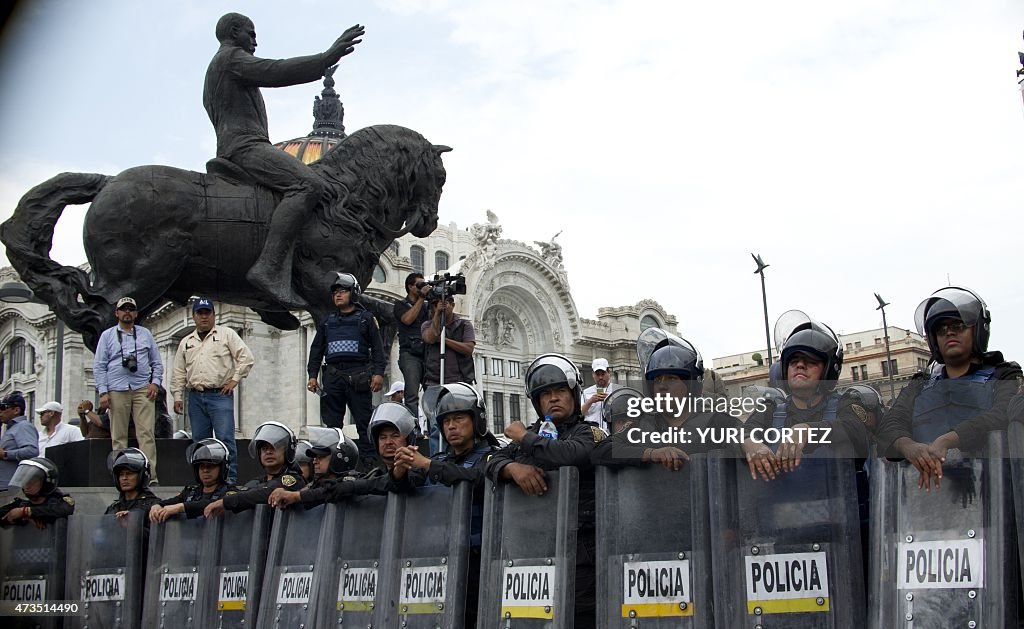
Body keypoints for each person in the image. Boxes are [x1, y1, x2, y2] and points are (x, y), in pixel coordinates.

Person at [204, 12, 364, 306]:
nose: (255, 40)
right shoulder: (231, 59)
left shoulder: (219, 67)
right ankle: (270, 268)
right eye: (250, 33)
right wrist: (324, 58)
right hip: (246, 147)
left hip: (234, 146)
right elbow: (276, 71)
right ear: (233, 31)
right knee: (309, 184)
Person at [484, 354, 606, 626]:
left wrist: (525, 438)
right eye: (546, 394)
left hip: (581, 554)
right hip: (533, 552)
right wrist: (512, 469)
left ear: (573, 394)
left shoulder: (589, 432)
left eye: (560, 390)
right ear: (537, 402)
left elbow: (572, 454)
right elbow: (490, 461)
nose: (553, 398)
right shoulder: (526, 437)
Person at [875, 287, 1022, 490]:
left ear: (978, 329)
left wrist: (948, 440)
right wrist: (908, 446)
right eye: (941, 329)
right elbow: (890, 423)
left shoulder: (1004, 374)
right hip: (925, 499)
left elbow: (1004, 414)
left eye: (958, 325)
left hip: (993, 493)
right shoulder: (920, 384)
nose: (949, 332)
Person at [393, 382, 499, 629]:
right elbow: (405, 489)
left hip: (479, 563)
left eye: (459, 418)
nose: (451, 426)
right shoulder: (435, 459)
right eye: (446, 421)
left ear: (477, 420)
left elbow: (478, 479)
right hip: (438, 563)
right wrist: (398, 473)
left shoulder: (493, 457)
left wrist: (428, 465)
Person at [742, 311, 870, 482]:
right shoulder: (771, 410)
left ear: (828, 370)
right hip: (781, 505)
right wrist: (750, 442)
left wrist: (808, 430)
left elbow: (856, 431)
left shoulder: (846, 403)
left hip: (840, 504)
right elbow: (740, 431)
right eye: (794, 361)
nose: (800, 365)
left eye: (811, 360)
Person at [592, 337, 741, 470]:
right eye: (657, 380)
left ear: (692, 385)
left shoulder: (718, 423)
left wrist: (750, 445)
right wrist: (651, 453)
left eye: (671, 378)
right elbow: (601, 450)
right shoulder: (643, 425)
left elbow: (749, 437)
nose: (662, 385)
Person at [171, 297, 254, 484]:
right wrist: (177, 396)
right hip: (195, 396)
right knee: (200, 441)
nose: (204, 317)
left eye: (207, 313)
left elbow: (246, 358)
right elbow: (178, 372)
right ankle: (202, 482)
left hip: (220, 395)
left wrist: (234, 380)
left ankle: (230, 479)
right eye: (200, 314)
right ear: (194, 317)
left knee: (226, 438)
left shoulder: (227, 334)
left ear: (214, 315)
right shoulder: (186, 342)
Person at [306, 273, 385, 461]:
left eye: (343, 291)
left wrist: (378, 373)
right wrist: (312, 375)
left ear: (354, 293)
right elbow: (316, 350)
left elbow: (378, 348)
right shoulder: (327, 322)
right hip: (333, 376)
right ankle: (333, 465)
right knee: (332, 426)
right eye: (335, 293)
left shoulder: (366, 319)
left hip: (359, 376)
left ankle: (370, 466)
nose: (338, 296)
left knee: (364, 423)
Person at [93, 296, 164, 485]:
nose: (127, 312)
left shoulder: (145, 334)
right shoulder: (107, 335)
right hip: (117, 388)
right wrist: (103, 392)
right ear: (117, 313)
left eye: (131, 309)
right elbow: (99, 366)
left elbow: (156, 363)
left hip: (142, 388)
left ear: (136, 313)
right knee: (118, 435)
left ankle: (150, 475)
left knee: (146, 433)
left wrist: (155, 383)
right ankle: (121, 474)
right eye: (123, 309)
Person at [204, 421, 305, 516]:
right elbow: (219, 501)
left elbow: (264, 494)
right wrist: (189, 507)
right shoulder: (257, 482)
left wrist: (226, 502)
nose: (268, 452)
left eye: (274, 447)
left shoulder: (294, 480)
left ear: (287, 451)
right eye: (264, 448)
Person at [421, 295, 476, 454]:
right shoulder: (427, 324)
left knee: (459, 425)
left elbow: (468, 348)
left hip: (458, 383)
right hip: (434, 383)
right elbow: (430, 337)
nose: (442, 307)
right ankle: (437, 462)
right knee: (435, 427)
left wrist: (444, 341)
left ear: (452, 304)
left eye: (445, 304)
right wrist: (438, 315)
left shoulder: (464, 325)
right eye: (435, 305)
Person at [149, 438, 239, 522]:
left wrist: (181, 507)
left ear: (222, 468)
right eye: (201, 466)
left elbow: (215, 504)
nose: (205, 470)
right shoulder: (190, 492)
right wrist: (157, 505)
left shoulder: (231, 492)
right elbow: (167, 502)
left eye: (210, 466)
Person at [268, 427, 359, 509]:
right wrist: (284, 493)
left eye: (321, 457)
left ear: (339, 459)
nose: (315, 461)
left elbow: (329, 491)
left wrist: (295, 496)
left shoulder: (350, 482)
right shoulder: (316, 484)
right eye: (315, 457)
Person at [393, 273, 430, 417]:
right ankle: (414, 429)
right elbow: (407, 319)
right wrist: (421, 298)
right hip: (410, 354)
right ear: (410, 287)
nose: (422, 287)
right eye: (419, 285)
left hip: (427, 353)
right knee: (412, 394)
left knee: (432, 391)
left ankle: (435, 427)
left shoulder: (427, 306)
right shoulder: (400, 305)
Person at [1, 457, 75, 526]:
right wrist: (24, 518)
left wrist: (26, 512)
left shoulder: (60, 501)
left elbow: (62, 510)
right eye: (25, 480)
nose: (27, 485)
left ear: (46, 482)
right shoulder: (21, 504)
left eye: (32, 481)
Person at [105, 447, 161, 519]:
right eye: (121, 474)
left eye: (129, 473)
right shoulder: (113, 509)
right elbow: (101, 529)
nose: (124, 478)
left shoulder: (154, 506)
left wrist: (133, 523)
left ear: (141, 476)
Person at [0, 391, 39, 489]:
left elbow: (32, 451)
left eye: (3, 408)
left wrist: (5, 454)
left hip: (11, 487)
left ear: (16, 410)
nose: (0, 411)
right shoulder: (10, 429)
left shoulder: (23, 426)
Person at [581, 358, 618, 432]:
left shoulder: (617, 390)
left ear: (609, 372)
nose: (600, 377)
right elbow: (580, 414)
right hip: (591, 433)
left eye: (603, 374)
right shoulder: (586, 393)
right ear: (593, 375)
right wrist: (590, 401)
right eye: (597, 374)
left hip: (611, 433)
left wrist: (610, 400)